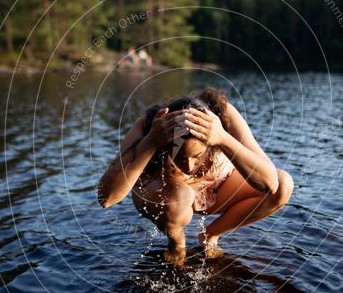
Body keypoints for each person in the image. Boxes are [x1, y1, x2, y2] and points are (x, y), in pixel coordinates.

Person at [97, 87, 293, 264]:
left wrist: (223, 138)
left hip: (215, 190)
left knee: (284, 185)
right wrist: (150, 142)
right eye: (180, 157)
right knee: (178, 199)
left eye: (197, 156)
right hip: (166, 196)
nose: (189, 167)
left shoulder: (221, 115)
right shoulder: (149, 125)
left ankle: (210, 236)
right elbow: (106, 198)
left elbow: (271, 183)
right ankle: (176, 242)